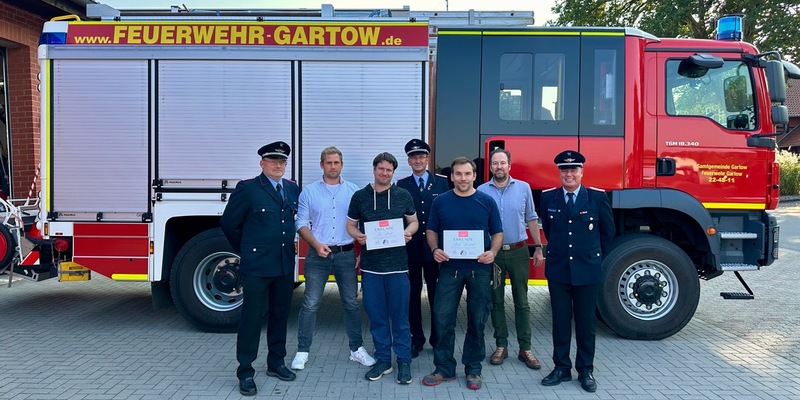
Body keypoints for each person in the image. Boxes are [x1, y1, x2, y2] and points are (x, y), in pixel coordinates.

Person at [220, 141, 300, 396]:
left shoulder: (291, 189)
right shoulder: (248, 189)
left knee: (280, 316)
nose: (278, 165)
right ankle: (245, 371)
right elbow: (229, 224)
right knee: (252, 319)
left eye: (282, 161)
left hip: (284, 265)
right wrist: (247, 250)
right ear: (262, 163)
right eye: (273, 160)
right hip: (257, 267)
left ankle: (276, 362)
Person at [290, 146, 376, 371]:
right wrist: (316, 244)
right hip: (318, 254)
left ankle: (356, 350)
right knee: (310, 303)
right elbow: (300, 223)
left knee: (350, 303)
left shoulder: (353, 191)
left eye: (336, 162)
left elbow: (362, 223)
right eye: (328, 163)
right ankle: (302, 350)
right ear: (321, 165)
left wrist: (361, 253)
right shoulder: (309, 192)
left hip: (346, 254)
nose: (333, 166)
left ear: (342, 165)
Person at [422, 157, 502, 391]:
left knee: (477, 319)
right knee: (441, 317)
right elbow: (430, 229)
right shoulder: (442, 202)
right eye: (458, 174)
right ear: (452, 177)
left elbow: (497, 232)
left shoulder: (486, 201)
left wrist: (492, 252)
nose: (463, 178)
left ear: (475, 176)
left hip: (479, 268)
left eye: (467, 174)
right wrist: (435, 249)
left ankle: (473, 368)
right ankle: (444, 367)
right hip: (450, 268)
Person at [538, 150, 615, 393]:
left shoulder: (597, 198)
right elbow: (549, 230)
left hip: (587, 270)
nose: (569, 174)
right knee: (560, 322)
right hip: (559, 269)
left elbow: (607, 234)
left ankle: (585, 369)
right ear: (559, 173)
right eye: (564, 170)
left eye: (573, 170)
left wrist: (591, 256)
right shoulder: (548, 198)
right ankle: (561, 367)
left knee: (585, 323)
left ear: (582, 172)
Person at [346, 152, 419, 384]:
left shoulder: (403, 195)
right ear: (374, 169)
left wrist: (409, 232)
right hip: (371, 270)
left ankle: (404, 361)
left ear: (393, 172)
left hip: (398, 268)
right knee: (377, 318)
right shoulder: (360, 197)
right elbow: (350, 225)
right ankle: (383, 360)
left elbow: (414, 221)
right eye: (381, 169)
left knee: (400, 318)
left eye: (389, 170)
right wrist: (358, 236)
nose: (385, 173)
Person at [477, 148, 544, 370]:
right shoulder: (481, 191)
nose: (499, 167)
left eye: (502, 163)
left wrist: (538, 248)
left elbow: (532, 218)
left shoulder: (523, 188)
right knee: (496, 300)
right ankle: (501, 345)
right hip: (493, 255)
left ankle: (525, 348)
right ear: (490, 167)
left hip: (518, 252)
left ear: (509, 166)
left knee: (522, 301)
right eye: (495, 163)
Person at [397, 139, 449, 358]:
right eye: (413, 157)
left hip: (436, 250)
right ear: (408, 160)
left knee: (439, 296)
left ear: (428, 159)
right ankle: (415, 339)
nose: (418, 160)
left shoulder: (443, 183)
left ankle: (438, 339)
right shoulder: (401, 185)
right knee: (412, 296)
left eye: (421, 156)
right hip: (411, 250)